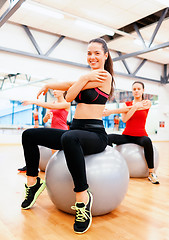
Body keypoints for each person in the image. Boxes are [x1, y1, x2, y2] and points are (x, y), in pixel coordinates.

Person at [21, 38, 114, 234]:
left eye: (97, 53)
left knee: (69, 138)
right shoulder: (89, 77)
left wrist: (80, 80)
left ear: (106, 55)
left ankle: (82, 198)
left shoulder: (104, 76)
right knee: (29, 135)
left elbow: (70, 95)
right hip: (75, 132)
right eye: (89, 53)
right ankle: (33, 183)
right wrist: (48, 84)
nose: (92, 57)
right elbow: (67, 83)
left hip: (95, 134)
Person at [105, 81, 159, 184]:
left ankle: (151, 173)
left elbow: (138, 108)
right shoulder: (127, 104)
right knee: (108, 137)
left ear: (143, 90)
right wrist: (133, 107)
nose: (136, 91)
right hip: (127, 136)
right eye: (134, 89)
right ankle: (112, 166)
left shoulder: (146, 103)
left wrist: (112, 112)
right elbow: (125, 119)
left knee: (147, 141)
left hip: (140, 136)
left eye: (139, 89)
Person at [18, 90, 70, 172]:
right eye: (53, 90)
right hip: (53, 132)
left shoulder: (67, 103)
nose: (54, 91)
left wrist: (33, 102)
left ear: (63, 91)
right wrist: (47, 116)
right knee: (55, 157)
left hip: (62, 132)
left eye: (57, 89)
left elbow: (52, 107)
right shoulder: (53, 104)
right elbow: (45, 120)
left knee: (62, 158)